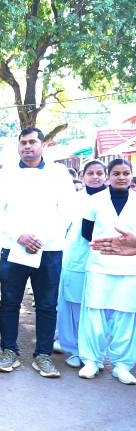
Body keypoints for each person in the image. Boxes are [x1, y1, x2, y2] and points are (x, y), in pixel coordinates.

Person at [0, 127, 76, 378]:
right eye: (23, 142)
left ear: (42, 145)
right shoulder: (6, 174)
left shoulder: (58, 174)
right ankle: (9, 352)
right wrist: (19, 236)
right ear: (18, 146)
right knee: (9, 302)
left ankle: (43, 355)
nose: (28, 146)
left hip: (49, 249)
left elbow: (67, 212)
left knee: (47, 304)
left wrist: (41, 238)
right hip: (14, 247)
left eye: (32, 142)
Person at [77, 159, 136, 384]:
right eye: (116, 173)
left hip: (131, 268)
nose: (121, 177)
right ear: (109, 176)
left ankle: (122, 365)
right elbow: (86, 232)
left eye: (126, 173)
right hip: (99, 265)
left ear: (131, 176)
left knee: (126, 316)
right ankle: (92, 360)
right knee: (94, 315)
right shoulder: (95, 201)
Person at [55, 160, 107, 369]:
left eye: (99, 173)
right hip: (75, 257)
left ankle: (96, 353)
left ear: (105, 176)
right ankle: (75, 349)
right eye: (90, 173)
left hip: (104, 260)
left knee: (99, 308)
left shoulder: (113, 200)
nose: (95, 177)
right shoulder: (74, 200)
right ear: (83, 176)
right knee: (73, 305)